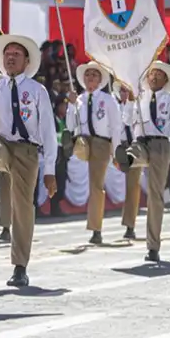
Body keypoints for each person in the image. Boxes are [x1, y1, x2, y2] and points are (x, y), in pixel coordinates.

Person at [0, 34, 58, 288]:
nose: (10, 57)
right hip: (1, 142)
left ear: (26, 61)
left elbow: (48, 131)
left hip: (27, 150)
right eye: (7, 54)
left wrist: (50, 170)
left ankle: (20, 266)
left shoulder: (37, 90)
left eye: (16, 54)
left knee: (23, 207)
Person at [123, 61, 170, 263]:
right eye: (152, 74)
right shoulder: (139, 97)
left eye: (159, 75)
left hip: (160, 146)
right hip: (141, 143)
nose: (155, 77)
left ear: (166, 80)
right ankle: (125, 159)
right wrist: (129, 102)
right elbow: (126, 120)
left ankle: (153, 246)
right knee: (132, 153)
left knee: (155, 196)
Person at [67, 61, 120, 245]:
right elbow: (70, 125)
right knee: (89, 181)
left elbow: (115, 126)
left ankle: (96, 228)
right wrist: (71, 105)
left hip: (101, 143)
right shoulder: (79, 100)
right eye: (87, 74)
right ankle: (94, 224)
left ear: (100, 80)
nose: (90, 78)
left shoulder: (107, 100)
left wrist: (116, 151)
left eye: (94, 75)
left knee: (96, 185)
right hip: (83, 143)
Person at [113, 81, 142, 240]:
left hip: (135, 147)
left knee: (133, 186)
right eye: (122, 91)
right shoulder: (115, 108)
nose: (125, 93)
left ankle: (130, 225)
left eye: (127, 90)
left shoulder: (137, 108)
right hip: (121, 147)